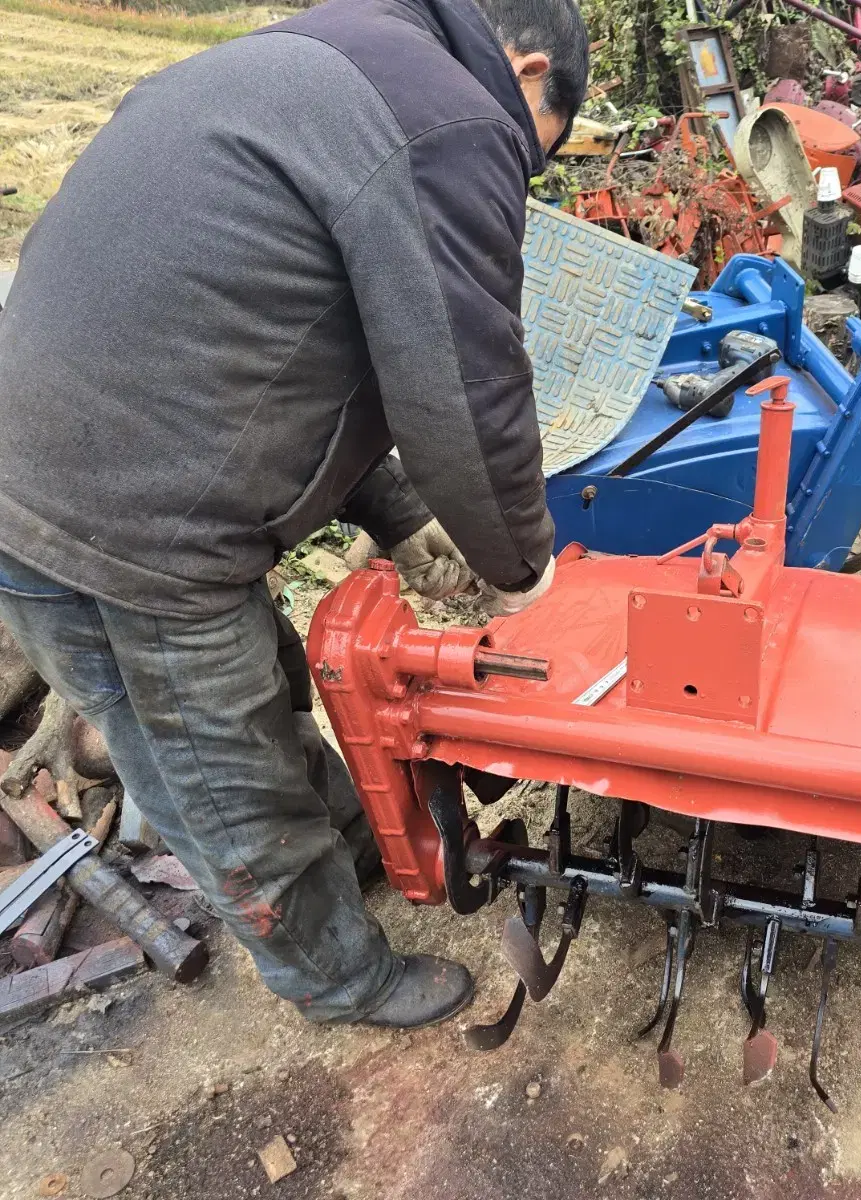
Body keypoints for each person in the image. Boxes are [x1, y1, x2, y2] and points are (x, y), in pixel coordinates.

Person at [0, 0, 588, 1028]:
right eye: (535, 156)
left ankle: (360, 848)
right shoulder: (453, 118)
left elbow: (281, 344)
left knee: (251, 696)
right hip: (123, 519)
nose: (518, 175)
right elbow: (462, 385)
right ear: (528, 70)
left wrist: (402, 515)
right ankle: (338, 979)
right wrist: (528, 570)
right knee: (224, 775)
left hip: (67, 467)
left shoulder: (321, 58)